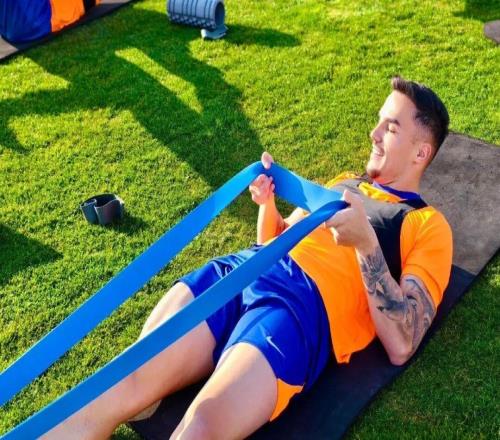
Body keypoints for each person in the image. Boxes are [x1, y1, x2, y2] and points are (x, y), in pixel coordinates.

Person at [43, 76, 452, 439]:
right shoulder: (343, 182)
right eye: (379, 121)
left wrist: (366, 244)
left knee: (200, 428)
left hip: (297, 308)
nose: (374, 133)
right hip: (243, 269)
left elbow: (403, 342)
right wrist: (267, 204)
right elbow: (275, 238)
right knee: (118, 382)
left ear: (420, 153)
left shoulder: (425, 224)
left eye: (390, 128)